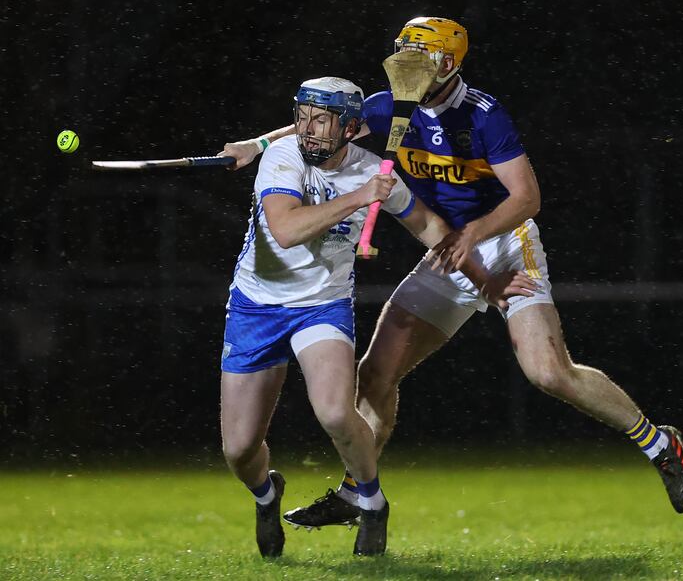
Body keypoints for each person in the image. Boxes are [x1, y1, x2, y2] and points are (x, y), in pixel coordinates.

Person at [220, 17, 683, 532]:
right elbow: (322, 122)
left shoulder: (484, 115)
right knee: (375, 373)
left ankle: (658, 441)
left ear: (447, 64)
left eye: (417, 58)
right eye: (401, 54)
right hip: (446, 248)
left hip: (504, 245)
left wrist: (472, 235)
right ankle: (359, 493)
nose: (405, 66)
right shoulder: (390, 107)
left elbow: (527, 198)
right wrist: (258, 144)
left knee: (548, 372)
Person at [220, 75, 537, 558]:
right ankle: (266, 494)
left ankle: (370, 502)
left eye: (321, 120)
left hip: (320, 309)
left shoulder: (374, 170)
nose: (308, 130)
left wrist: (485, 280)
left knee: (334, 411)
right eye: (302, 118)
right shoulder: (282, 158)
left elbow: (430, 227)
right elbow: (286, 231)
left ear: (350, 128)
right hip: (255, 308)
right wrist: (359, 196)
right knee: (239, 450)